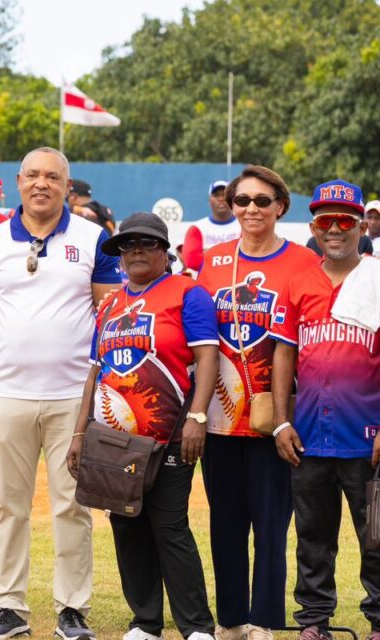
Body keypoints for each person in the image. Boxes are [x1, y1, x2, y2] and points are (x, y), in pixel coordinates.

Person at [0, 146, 122, 640]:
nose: (41, 183)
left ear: (68, 186)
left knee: (72, 505)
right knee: (10, 505)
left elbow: (109, 318)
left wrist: (106, 395)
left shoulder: (94, 239)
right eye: (32, 176)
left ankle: (72, 609)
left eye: (52, 176)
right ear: (17, 183)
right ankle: (9, 608)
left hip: (74, 396)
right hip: (5, 393)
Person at [67, 212, 220, 640]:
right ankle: (146, 622)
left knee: (169, 526)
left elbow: (207, 356)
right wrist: (80, 432)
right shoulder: (112, 303)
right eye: (127, 244)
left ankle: (196, 626)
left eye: (147, 243)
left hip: (170, 432)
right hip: (116, 438)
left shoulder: (188, 292)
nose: (136, 250)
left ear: (164, 251)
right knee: (126, 523)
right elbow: (95, 372)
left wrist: (198, 416)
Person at [195, 165, 321, 640]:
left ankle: (264, 620)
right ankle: (230, 619)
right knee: (226, 524)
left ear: (280, 208)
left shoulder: (302, 264)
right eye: (242, 200)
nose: (250, 209)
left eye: (261, 201)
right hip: (222, 415)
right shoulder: (214, 261)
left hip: (277, 418)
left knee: (272, 527)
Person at [271, 180, 380, 640]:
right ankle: (313, 619)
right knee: (314, 536)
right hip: (311, 435)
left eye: (344, 220)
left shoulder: (376, 278)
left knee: (377, 535)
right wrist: (280, 421)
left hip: (368, 438)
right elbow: (283, 355)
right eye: (324, 221)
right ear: (313, 227)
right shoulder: (298, 280)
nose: (333, 229)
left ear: (360, 226)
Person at [182, 180, 241, 274]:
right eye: (217, 195)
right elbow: (191, 261)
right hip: (205, 283)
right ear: (209, 200)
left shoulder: (243, 225)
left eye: (225, 194)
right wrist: (231, 254)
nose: (221, 198)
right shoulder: (197, 228)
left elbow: (248, 257)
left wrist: (207, 252)